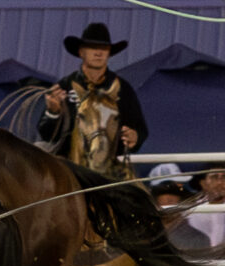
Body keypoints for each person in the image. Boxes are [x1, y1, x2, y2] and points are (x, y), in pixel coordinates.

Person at [37, 22, 148, 178]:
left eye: (104, 49)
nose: (98, 53)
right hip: (68, 167)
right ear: (81, 52)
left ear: (109, 54)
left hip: (109, 167)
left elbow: (140, 128)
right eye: (92, 47)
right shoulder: (64, 87)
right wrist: (53, 112)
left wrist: (135, 137)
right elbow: (46, 135)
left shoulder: (123, 89)